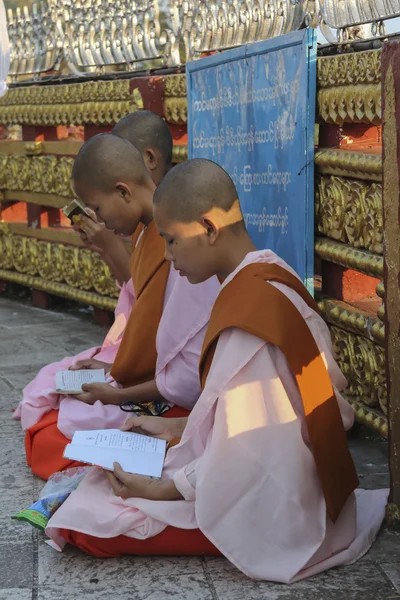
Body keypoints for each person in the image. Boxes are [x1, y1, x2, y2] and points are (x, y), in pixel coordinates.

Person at [45, 159, 387, 582]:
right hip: (287, 467)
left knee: (90, 522)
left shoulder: (250, 316)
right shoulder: (268, 273)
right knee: (102, 486)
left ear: (208, 228)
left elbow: (250, 448)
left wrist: (162, 489)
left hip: (283, 499)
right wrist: (177, 430)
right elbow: (253, 414)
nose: (168, 257)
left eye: (171, 241)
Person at [16, 140, 219, 480]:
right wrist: (113, 370)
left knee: (54, 436)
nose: (169, 256)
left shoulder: (190, 255)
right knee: (55, 421)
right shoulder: (160, 240)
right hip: (165, 385)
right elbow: (148, 318)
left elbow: (190, 378)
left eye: (98, 207)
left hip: (191, 403)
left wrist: (118, 394)